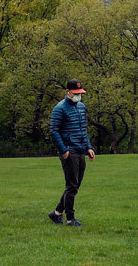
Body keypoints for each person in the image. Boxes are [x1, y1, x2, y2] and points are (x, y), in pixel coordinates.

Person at [48, 79, 95, 227]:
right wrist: (64, 150)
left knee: (75, 185)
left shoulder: (81, 107)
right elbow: (54, 131)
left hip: (81, 149)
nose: (78, 96)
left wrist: (89, 147)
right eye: (75, 93)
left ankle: (56, 213)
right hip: (69, 151)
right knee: (72, 185)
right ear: (67, 92)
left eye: (80, 93)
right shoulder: (59, 108)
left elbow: (83, 130)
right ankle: (70, 218)